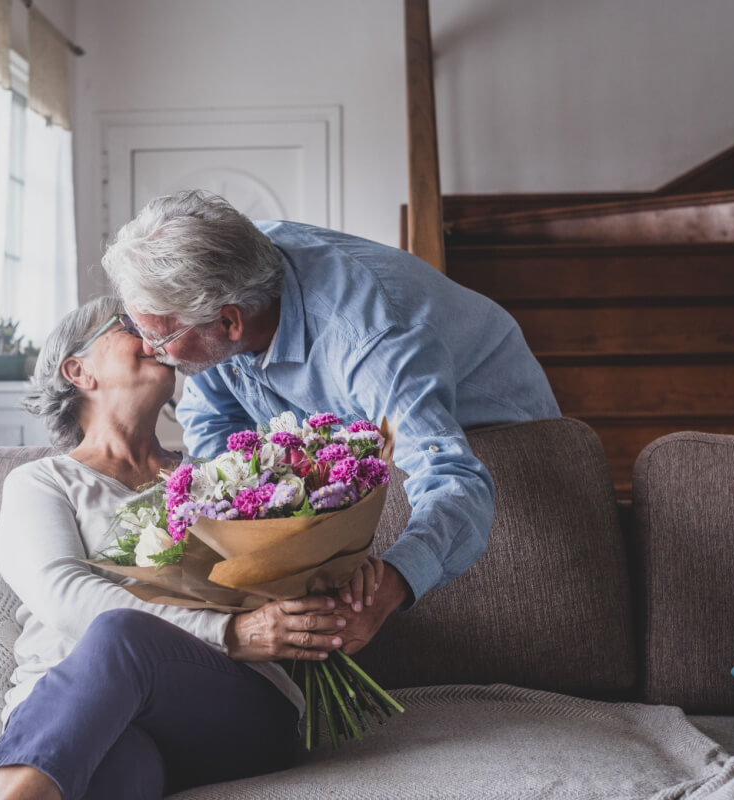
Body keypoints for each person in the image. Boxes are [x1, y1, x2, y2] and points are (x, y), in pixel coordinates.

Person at [101, 190, 561, 654]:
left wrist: (390, 587)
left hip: (495, 439)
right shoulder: (223, 276)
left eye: (161, 336)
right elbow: (211, 421)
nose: (149, 349)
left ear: (229, 322)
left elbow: (453, 477)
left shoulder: (372, 340)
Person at [0, 296, 358, 800]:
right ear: (78, 371)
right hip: (79, 720)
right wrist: (229, 631)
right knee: (118, 769)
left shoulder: (220, 477)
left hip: (231, 709)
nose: (157, 333)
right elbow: (62, 595)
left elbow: (283, 574)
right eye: (130, 325)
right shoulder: (42, 483)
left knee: (119, 632)